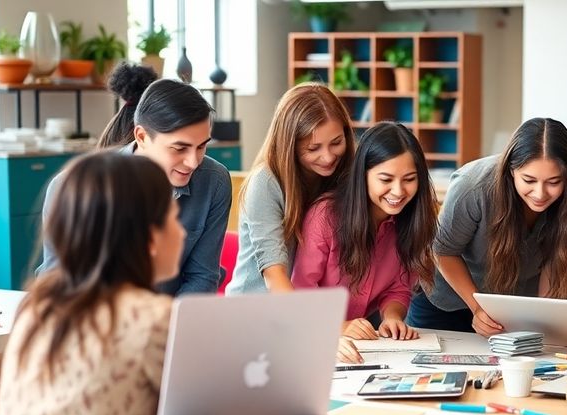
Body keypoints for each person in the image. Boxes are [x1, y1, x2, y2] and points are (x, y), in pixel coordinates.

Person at [0, 152, 185, 415]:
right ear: (150, 236)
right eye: (175, 219)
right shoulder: (152, 318)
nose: (183, 232)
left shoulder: (40, 306)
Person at [39, 72, 231, 296]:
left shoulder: (214, 181)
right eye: (180, 148)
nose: (193, 162)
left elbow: (203, 276)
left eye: (201, 147)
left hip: (170, 320)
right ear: (141, 137)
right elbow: (59, 283)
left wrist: (164, 325)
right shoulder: (73, 188)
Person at [406, 117, 567, 337]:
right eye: (529, 180)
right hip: (447, 302)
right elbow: (443, 250)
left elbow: (555, 261)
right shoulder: (473, 187)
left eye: (554, 182)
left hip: (513, 306)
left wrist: (544, 321)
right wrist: (478, 308)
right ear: (511, 170)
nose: (540, 194)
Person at [291, 122, 436, 363]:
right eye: (386, 179)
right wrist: (339, 326)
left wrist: (392, 317)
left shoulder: (410, 222)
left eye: (409, 179)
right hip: (310, 337)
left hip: (360, 345)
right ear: (363, 176)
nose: (398, 191)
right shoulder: (325, 216)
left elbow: (398, 288)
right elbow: (301, 291)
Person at [227, 83, 355, 294]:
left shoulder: (342, 174)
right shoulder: (266, 182)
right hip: (254, 310)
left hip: (305, 306)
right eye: (313, 148)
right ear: (290, 145)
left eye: (336, 142)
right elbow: (274, 276)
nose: (328, 156)